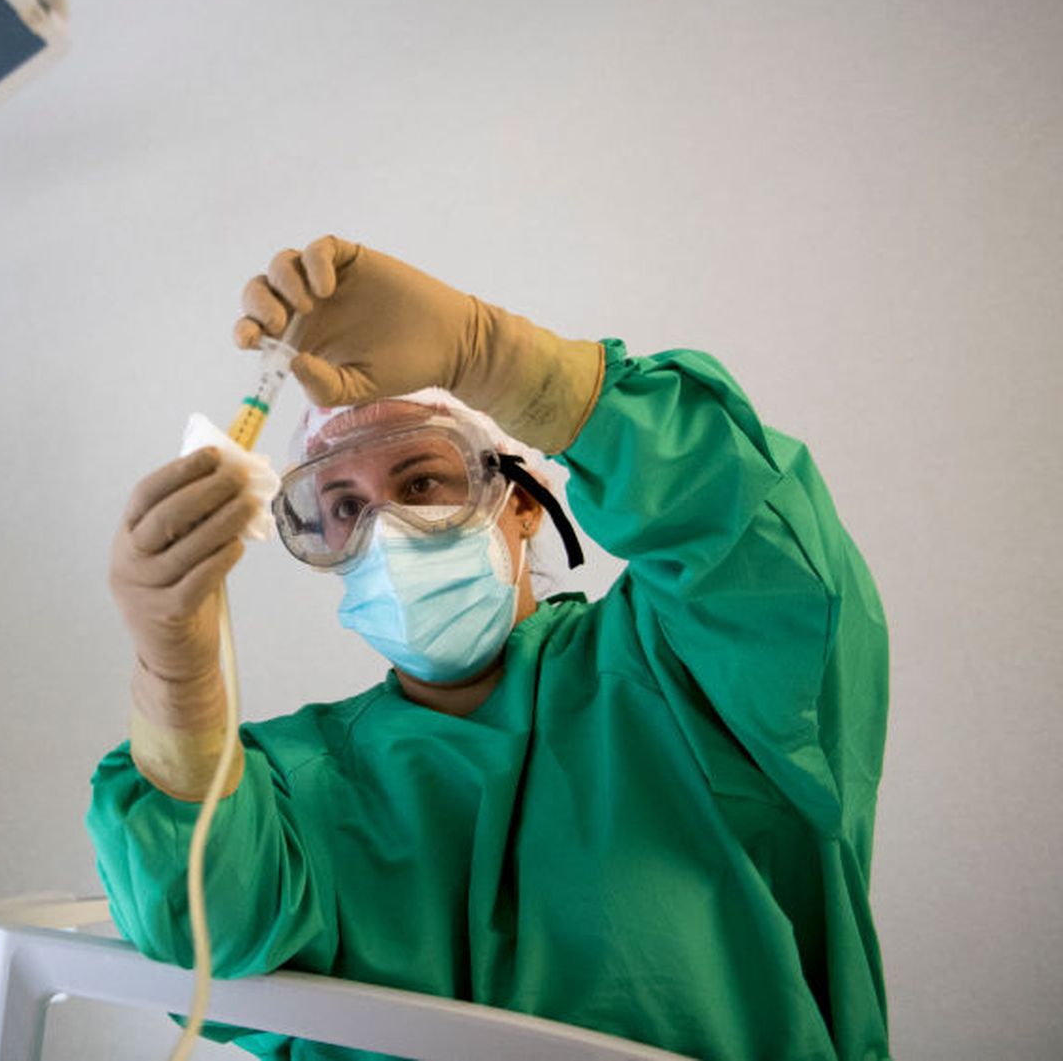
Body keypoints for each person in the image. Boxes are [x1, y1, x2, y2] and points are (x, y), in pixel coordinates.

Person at [86, 237, 889, 1060]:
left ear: (522, 500)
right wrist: (174, 669)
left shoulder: (676, 678)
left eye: (423, 481)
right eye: (342, 506)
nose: (385, 529)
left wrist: (501, 359)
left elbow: (767, 561)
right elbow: (202, 924)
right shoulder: (294, 791)